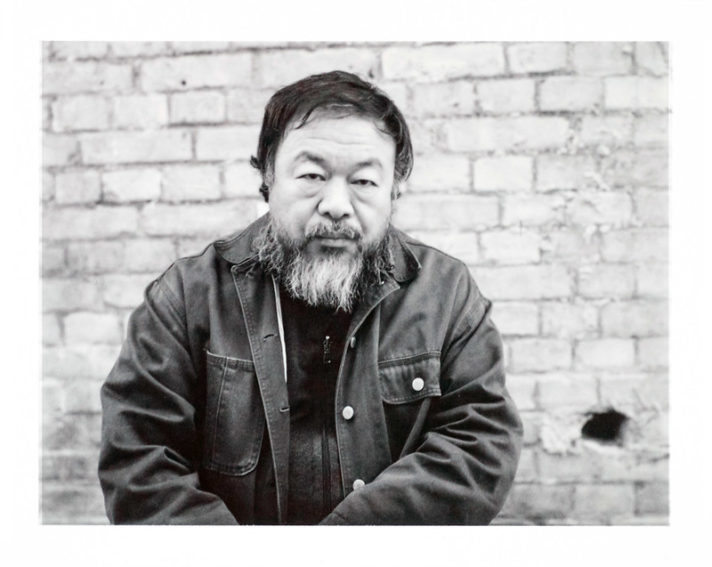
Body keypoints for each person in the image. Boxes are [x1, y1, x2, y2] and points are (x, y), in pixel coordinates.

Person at [98, 70, 522, 525]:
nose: (336, 204)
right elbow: (141, 465)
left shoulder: (446, 294)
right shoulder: (187, 297)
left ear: (395, 189)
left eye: (364, 181)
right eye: (312, 175)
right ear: (268, 177)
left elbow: (479, 445)